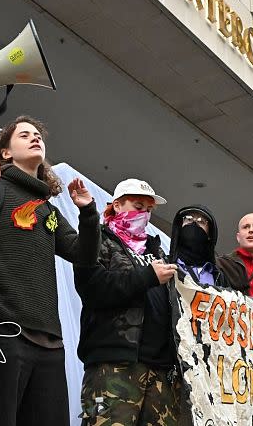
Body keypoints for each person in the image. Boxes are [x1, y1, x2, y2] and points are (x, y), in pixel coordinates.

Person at [0, 116, 101, 425]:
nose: (35, 139)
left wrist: (88, 212)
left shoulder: (47, 208)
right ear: (4, 152)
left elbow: (83, 254)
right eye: (24, 135)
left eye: (38, 136)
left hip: (49, 343)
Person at [74, 179, 180, 425]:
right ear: (118, 205)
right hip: (112, 367)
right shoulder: (98, 239)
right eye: (138, 206)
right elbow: (93, 288)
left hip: (160, 371)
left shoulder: (159, 252)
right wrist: (148, 276)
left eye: (149, 210)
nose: (144, 214)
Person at [170, 205, 227, 287]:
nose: (194, 223)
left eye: (201, 221)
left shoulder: (218, 276)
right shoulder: (165, 265)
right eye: (189, 219)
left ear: (210, 234)